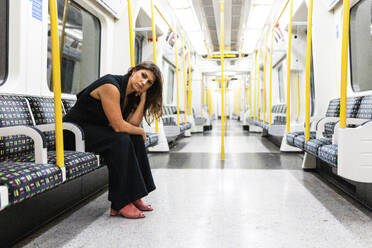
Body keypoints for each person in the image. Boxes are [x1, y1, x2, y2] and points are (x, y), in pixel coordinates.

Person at [63, 61, 163, 219]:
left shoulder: (129, 95)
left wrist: (143, 99)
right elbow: (118, 126)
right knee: (120, 139)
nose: (144, 82)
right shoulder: (111, 86)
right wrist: (141, 131)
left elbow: (132, 125)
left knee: (134, 137)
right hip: (72, 133)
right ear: (134, 71)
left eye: (149, 82)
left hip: (92, 131)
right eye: (143, 76)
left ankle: (134, 194)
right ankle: (120, 202)